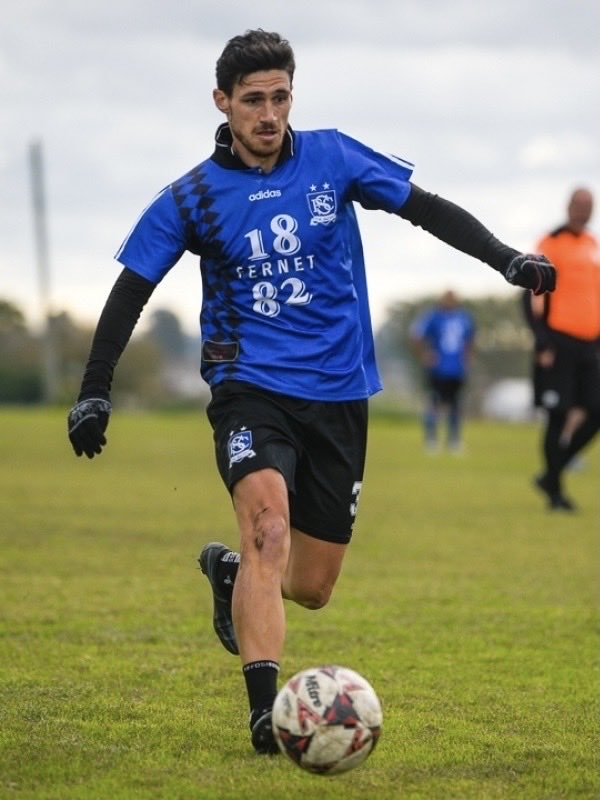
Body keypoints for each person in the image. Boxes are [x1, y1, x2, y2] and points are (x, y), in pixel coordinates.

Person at [66, 29, 556, 755]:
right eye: (253, 100)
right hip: (249, 388)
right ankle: (267, 715)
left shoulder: (333, 156)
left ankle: (231, 576)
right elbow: (132, 287)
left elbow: (426, 207)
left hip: (339, 392)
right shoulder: (192, 196)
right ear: (223, 103)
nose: (268, 114)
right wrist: (95, 390)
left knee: (314, 585)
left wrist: (506, 257)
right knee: (266, 529)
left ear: (293, 95)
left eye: (280, 97)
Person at [524, 187, 600, 511]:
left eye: (588, 205)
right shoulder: (550, 242)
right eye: (578, 204)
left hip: (591, 343)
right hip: (558, 342)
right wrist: (542, 339)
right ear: (568, 206)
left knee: (595, 412)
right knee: (558, 415)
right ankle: (555, 494)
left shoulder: (593, 245)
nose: (582, 210)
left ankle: (552, 473)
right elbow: (532, 294)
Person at [409, 290, 475, 452]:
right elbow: (416, 334)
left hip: (457, 369)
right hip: (438, 369)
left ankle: (454, 440)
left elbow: (470, 339)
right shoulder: (433, 317)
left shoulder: (464, 317)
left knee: (456, 405)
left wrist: (467, 357)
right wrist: (426, 354)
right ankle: (431, 439)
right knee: (434, 403)